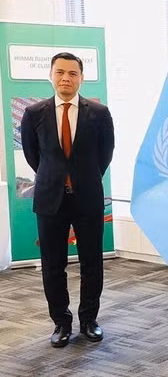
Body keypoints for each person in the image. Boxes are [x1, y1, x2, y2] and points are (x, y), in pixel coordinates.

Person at [20, 52, 115, 348]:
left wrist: (81, 178)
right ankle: (61, 322)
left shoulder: (99, 113)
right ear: (50, 75)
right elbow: (33, 155)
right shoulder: (34, 113)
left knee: (92, 262)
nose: (66, 78)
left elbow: (105, 154)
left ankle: (89, 320)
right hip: (50, 199)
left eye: (72, 73)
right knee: (52, 264)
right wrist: (56, 178)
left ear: (81, 78)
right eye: (60, 72)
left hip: (87, 197)